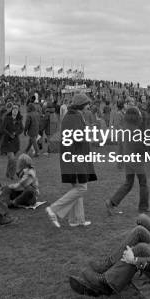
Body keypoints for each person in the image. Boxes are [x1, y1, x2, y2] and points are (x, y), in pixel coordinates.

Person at [45, 93, 97, 228]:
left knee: (77, 187)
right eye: (87, 104)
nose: (88, 106)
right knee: (82, 187)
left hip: (73, 156)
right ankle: (54, 209)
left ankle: (76, 220)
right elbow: (76, 137)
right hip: (74, 157)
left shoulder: (74, 115)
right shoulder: (73, 116)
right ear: (81, 104)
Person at [105, 106, 149, 215]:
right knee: (143, 183)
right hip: (137, 160)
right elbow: (140, 148)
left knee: (128, 183)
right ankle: (143, 207)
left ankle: (112, 202)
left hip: (127, 159)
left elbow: (120, 147)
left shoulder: (123, 129)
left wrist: (119, 161)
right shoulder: (136, 131)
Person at [1, 103, 24, 180]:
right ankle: (12, 175)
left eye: (16, 110)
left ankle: (8, 173)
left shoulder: (19, 119)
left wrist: (16, 133)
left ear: (18, 111)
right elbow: (2, 128)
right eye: (14, 109)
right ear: (12, 111)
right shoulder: (7, 118)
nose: (15, 111)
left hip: (15, 142)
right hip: (7, 141)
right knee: (12, 159)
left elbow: (21, 129)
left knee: (11, 160)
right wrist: (9, 134)